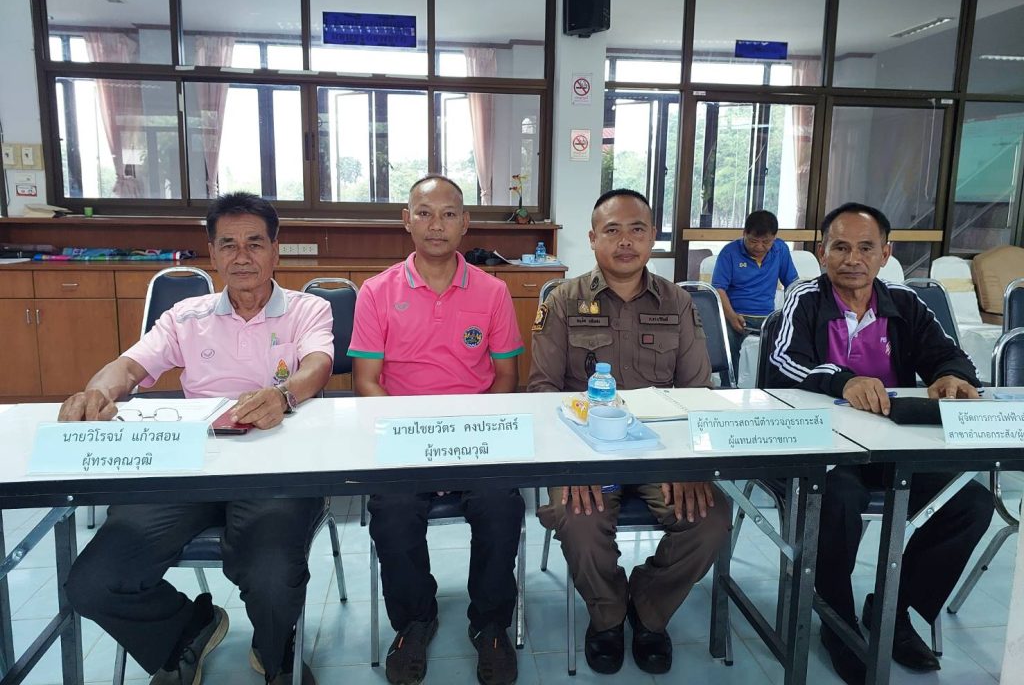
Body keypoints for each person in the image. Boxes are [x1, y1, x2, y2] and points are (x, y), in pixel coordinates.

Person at [61, 192, 334, 685]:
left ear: (275, 250)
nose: (242, 256)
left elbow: (318, 365)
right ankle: (187, 630)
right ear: (212, 253)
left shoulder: (306, 309)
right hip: (190, 463)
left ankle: (276, 651)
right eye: (228, 244)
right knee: (94, 581)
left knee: (272, 574)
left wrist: (283, 395)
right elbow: (128, 366)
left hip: (275, 467)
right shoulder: (186, 316)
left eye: (255, 243)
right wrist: (96, 392)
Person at [766, 202, 994, 685]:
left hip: (894, 447)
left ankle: (894, 610)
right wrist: (842, 380)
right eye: (840, 247)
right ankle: (836, 617)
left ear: (885, 254)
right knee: (838, 499)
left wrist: (952, 375)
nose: (853, 259)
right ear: (822, 252)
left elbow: (949, 354)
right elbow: (783, 362)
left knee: (971, 503)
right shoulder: (804, 298)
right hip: (822, 449)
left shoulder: (905, 304)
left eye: (866, 248)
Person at [528, 188, 731, 676]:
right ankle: (607, 615)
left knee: (711, 518)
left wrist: (689, 466)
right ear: (592, 238)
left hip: (662, 452)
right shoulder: (563, 301)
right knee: (578, 518)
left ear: (652, 237)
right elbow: (542, 392)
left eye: (637, 229)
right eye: (612, 230)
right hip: (586, 450)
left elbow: (697, 394)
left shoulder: (678, 302)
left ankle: (648, 608)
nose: (625, 241)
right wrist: (573, 467)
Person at [348, 176, 525, 685]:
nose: (436, 225)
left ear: (465, 223)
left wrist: (472, 435)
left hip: (475, 437)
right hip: (404, 439)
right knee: (392, 512)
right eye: (424, 213)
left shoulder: (492, 291)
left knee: (502, 506)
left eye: (448, 214)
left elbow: (506, 378)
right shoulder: (377, 292)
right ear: (407, 220)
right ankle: (414, 622)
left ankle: (490, 623)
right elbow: (366, 381)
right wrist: (414, 437)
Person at [711, 209, 798, 371]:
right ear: (744, 233)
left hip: (769, 318)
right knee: (726, 343)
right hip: (736, 316)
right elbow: (718, 289)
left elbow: (792, 284)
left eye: (766, 242)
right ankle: (729, 383)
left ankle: (772, 383)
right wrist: (731, 316)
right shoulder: (729, 252)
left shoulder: (780, 250)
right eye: (753, 241)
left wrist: (792, 314)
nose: (759, 247)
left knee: (792, 342)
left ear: (774, 237)